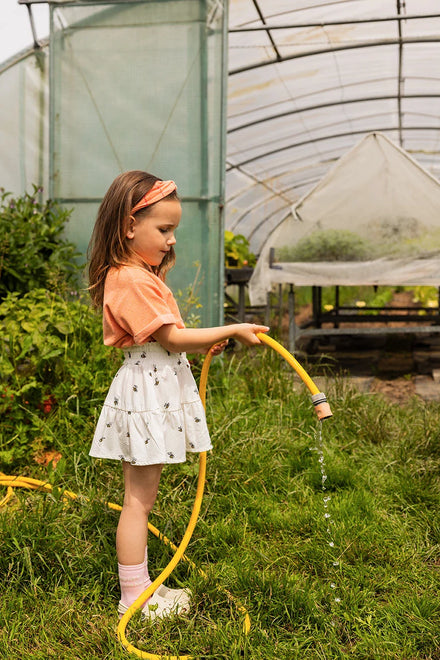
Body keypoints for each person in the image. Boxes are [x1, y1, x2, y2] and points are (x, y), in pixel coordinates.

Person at [87, 170, 269, 621]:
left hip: (151, 387)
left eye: (173, 231)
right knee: (137, 501)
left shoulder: (136, 275)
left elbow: (169, 339)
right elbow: (169, 338)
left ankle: (144, 587)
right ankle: (134, 598)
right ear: (130, 226)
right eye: (164, 230)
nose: (171, 241)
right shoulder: (130, 278)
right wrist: (228, 328)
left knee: (141, 498)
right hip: (148, 391)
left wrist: (203, 340)